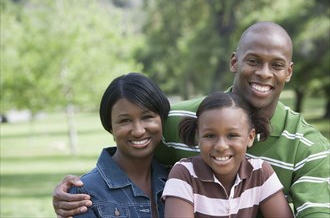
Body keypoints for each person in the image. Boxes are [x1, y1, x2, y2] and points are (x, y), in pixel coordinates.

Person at [53, 22, 330, 218]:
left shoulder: (309, 149)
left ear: (289, 72)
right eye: (253, 61)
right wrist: (79, 193)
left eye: (277, 65)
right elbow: (130, 156)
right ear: (235, 62)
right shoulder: (177, 121)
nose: (264, 73)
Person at [162, 92, 293, 218]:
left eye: (232, 135)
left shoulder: (260, 172)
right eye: (210, 135)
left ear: (250, 137)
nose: (221, 146)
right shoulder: (184, 174)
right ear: (198, 136)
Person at [65, 72, 170, 218]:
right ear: (110, 128)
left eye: (147, 117)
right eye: (125, 120)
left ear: (162, 119)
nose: (138, 131)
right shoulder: (84, 193)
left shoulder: (178, 178)